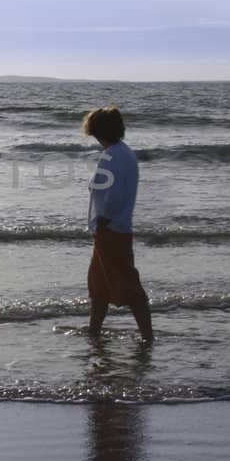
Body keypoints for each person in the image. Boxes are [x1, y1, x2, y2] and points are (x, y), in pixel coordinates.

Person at [82, 106, 153, 339]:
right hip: (115, 226)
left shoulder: (112, 156)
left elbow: (114, 195)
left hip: (111, 228)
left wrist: (103, 220)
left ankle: (147, 335)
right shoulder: (123, 153)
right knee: (99, 284)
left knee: (128, 285)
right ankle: (94, 331)